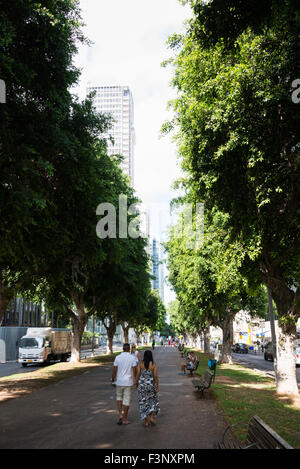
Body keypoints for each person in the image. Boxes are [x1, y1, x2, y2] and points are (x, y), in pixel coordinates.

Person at [111, 343, 137, 425]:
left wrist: (112, 380)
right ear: (129, 349)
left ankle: (120, 415)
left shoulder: (117, 357)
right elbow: (134, 371)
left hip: (119, 381)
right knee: (126, 400)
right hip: (128, 382)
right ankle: (125, 419)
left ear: (122, 349)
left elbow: (114, 370)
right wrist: (135, 380)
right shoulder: (132, 358)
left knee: (119, 398)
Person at [135, 349, 160, 427]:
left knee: (143, 403)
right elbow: (155, 376)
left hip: (142, 386)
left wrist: (136, 383)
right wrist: (157, 385)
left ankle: (146, 421)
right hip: (151, 386)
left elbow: (138, 374)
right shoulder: (153, 364)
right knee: (153, 401)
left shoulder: (140, 364)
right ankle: (152, 417)